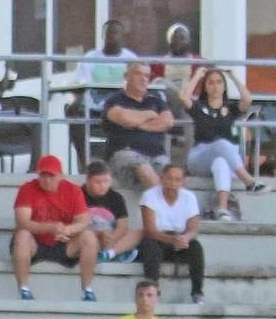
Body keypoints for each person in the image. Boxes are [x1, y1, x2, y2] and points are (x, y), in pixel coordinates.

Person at [11, 156, 99, 301]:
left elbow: (83, 221)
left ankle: (88, 290)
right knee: (22, 236)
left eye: (51, 175)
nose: (47, 180)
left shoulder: (73, 190)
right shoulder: (27, 189)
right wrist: (51, 228)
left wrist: (67, 230)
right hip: (35, 243)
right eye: (43, 175)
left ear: (60, 175)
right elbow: (22, 222)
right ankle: (24, 289)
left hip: (63, 243)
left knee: (89, 237)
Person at [183, 67, 260, 220]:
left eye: (219, 82)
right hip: (199, 158)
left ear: (224, 86)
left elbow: (247, 100)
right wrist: (198, 75)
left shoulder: (230, 108)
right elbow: (183, 97)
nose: (215, 86)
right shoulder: (199, 107)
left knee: (221, 162)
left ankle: (222, 209)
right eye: (211, 82)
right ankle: (248, 181)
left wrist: (233, 77)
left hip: (227, 160)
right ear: (205, 87)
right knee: (221, 144)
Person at [138, 163, 204, 304]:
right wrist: (171, 239)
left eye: (177, 179)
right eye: (169, 178)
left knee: (196, 247)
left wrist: (185, 238)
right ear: (161, 178)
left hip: (179, 238)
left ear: (183, 181)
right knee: (150, 245)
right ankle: (152, 289)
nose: (172, 183)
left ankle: (197, 292)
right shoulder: (149, 196)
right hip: (158, 238)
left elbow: (194, 228)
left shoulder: (189, 197)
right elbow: (150, 230)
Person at [102, 62, 173, 192]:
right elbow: (125, 118)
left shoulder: (156, 101)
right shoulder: (115, 100)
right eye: (138, 74)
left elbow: (167, 122)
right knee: (144, 168)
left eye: (146, 75)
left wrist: (138, 123)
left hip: (157, 156)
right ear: (126, 76)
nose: (143, 79)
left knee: (172, 176)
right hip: (124, 154)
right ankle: (165, 209)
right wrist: (150, 114)